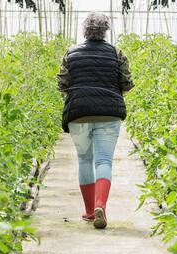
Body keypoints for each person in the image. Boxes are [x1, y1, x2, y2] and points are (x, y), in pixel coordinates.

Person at [57, 13, 134, 229]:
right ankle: (101, 205)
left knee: (84, 159)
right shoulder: (116, 53)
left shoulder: (71, 53)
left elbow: (62, 84)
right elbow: (126, 83)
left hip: (78, 113)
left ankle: (90, 211)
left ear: (85, 30)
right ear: (105, 30)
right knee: (103, 161)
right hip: (109, 113)